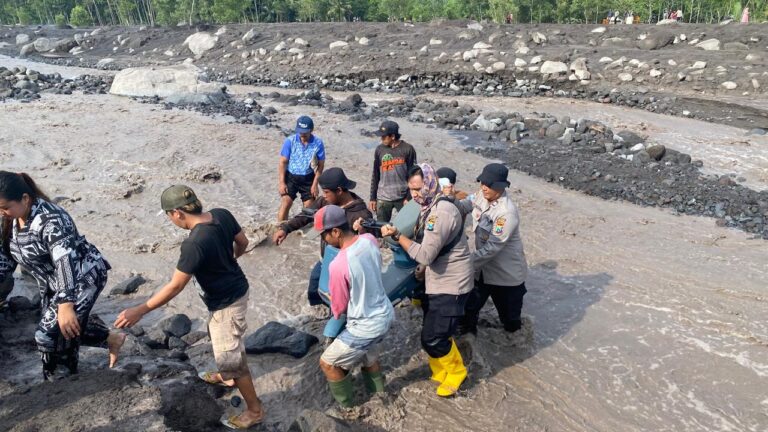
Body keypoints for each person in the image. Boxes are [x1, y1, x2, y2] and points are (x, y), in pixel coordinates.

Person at [114, 185, 263, 429]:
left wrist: (139, 310)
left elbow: (175, 286)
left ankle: (254, 410)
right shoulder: (222, 214)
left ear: (177, 213)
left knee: (233, 360)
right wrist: (229, 260)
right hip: (238, 288)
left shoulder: (194, 243)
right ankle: (226, 377)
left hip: (226, 303)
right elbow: (243, 242)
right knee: (221, 336)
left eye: (169, 216)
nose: (171, 220)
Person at [0, 171, 124, 380]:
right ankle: (108, 340)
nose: (2, 213)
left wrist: (66, 304)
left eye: (5, 207)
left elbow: (65, 261)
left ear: (25, 198)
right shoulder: (10, 220)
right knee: (61, 330)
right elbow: (5, 259)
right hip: (52, 281)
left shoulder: (51, 220)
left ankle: (57, 380)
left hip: (82, 277)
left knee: (47, 334)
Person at [381, 164, 473, 397]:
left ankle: (457, 372)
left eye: (418, 188)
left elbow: (424, 254)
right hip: (438, 278)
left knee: (433, 337)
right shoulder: (429, 205)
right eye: (411, 189)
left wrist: (397, 236)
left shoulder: (440, 212)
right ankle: (441, 369)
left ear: (431, 183)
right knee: (433, 333)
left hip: (452, 284)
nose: (414, 194)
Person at [314, 205, 394, 408]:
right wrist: (361, 230)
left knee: (327, 363)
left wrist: (331, 298)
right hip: (385, 314)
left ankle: (347, 408)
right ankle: (379, 396)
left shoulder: (338, 264)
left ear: (335, 232)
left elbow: (339, 309)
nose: (323, 240)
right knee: (369, 358)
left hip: (365, 325)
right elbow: (362, 246)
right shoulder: (369, 240)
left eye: (323, 235)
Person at [272, 167, 372, 306]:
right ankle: (319, 313)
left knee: (337, 297)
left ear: (339, 190)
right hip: (325, 258)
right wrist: (286, 228)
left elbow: (368, 245)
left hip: (346, 266)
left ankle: (336, 312)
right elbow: (306, 215)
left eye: (326, 192)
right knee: (314, 288)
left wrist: (362, 230)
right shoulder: (325, 202)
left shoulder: (361, 215)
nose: (323, 195)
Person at [455, 164, 528, 336]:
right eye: (482, 183)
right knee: (468, 310)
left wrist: (464, 263)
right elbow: (464, 205)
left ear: (501, 187)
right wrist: (448, 203)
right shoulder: (481, 195)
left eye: (489, 185)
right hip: (482, 270)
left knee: (511, 324)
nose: (484, 187)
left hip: (505, 277)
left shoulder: (506, 213)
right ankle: (469, 340)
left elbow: (492, 248)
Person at [278, 115, 326, 223]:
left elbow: (321, 166)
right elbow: (282, 162)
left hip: (308, 178)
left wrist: (315, 184)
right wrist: (281, 183)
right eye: (300, 131)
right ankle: (280, 227)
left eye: (305, 132)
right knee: (286, 203)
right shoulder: (290, 141)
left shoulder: (318, 143)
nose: (302, 134)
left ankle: (302, 231)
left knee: (309, 208)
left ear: (311, 130)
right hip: (291, 177)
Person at [369, 120, 417, 223]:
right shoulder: (379, 150)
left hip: (402, 197)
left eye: (384, 136)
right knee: (381, 227)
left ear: (393, 136)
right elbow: (375, 175)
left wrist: (409, 197)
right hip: (383, 197)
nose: (381, 138)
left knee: (405, 225)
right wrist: (372, 198)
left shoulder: (408, 149)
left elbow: (413, 175)